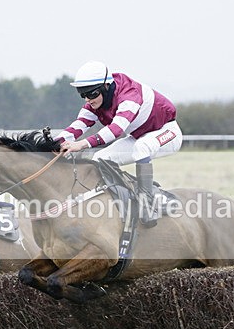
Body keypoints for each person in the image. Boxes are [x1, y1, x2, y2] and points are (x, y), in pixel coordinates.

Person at [57, 61, 182, 227]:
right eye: (83, 94)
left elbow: (116, 130)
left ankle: (148, 200)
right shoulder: (96, 101)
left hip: (168, 132)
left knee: (142, 147)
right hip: (139, 137)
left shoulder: (129, 95)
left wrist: (81, 145)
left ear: (106, 86)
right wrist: (53, 143)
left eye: (91, 94)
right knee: (100, 157)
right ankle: (127, 196)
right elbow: (78, 125)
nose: (88, 99)